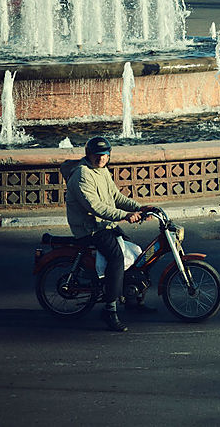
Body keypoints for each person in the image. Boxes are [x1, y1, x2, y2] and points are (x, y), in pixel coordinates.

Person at [63, 136, 150, 332]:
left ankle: (132, 300)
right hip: (89, 228)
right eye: (97, 155)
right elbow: (95, 207)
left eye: (105, 155)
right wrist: (126, 216)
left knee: (134, 252)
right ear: (89, 155)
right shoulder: (82, 175)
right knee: (116, 257)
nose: (101, 158)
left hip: (103, 224)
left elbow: (115, 197)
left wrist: (141, 208)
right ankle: (110, 310)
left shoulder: (102, 170)